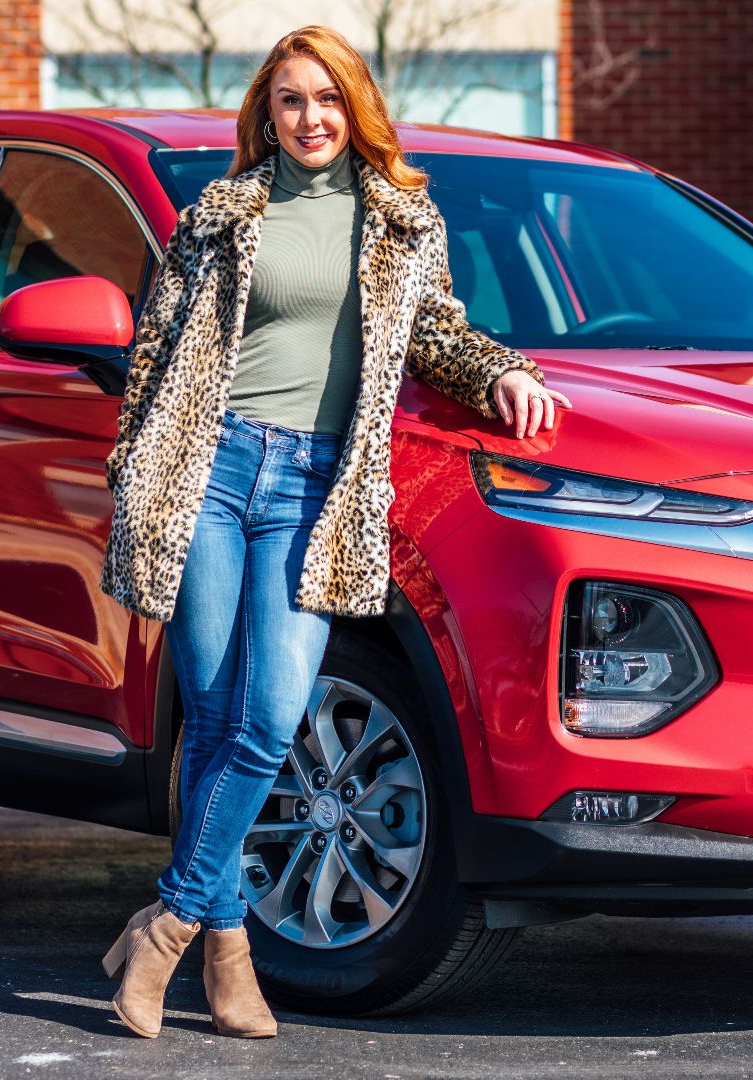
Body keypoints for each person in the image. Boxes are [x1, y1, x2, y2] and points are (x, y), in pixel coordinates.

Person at [94, 24, 572, 1039]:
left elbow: (434, 331)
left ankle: (166, 925)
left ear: (355, 109)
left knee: (270, 719)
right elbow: (155, 354)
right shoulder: (220, 216)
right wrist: (133, 472)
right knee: (213, 718)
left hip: (316, 486)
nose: (310, 118)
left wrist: (502, 371)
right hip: (210, 471)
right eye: (290, 100)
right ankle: (230, 956)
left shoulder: (402, 220)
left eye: (327, 99)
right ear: (266, 114)